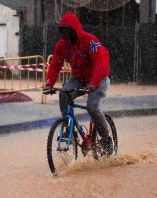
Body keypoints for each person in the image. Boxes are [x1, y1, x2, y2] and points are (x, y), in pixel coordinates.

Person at [43, 12, 113, 156]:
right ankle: (69, 127)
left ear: (74, 30)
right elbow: (56, 63)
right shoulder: (62, 45)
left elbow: (100, 62)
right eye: (61, 30)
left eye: (66, 30)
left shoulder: (89, 41)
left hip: (99, 78)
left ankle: (106, 140)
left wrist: (94, 83)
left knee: (92, 108)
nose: (63, 34)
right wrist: (49, 84)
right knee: (63, 94)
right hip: (79, 78)